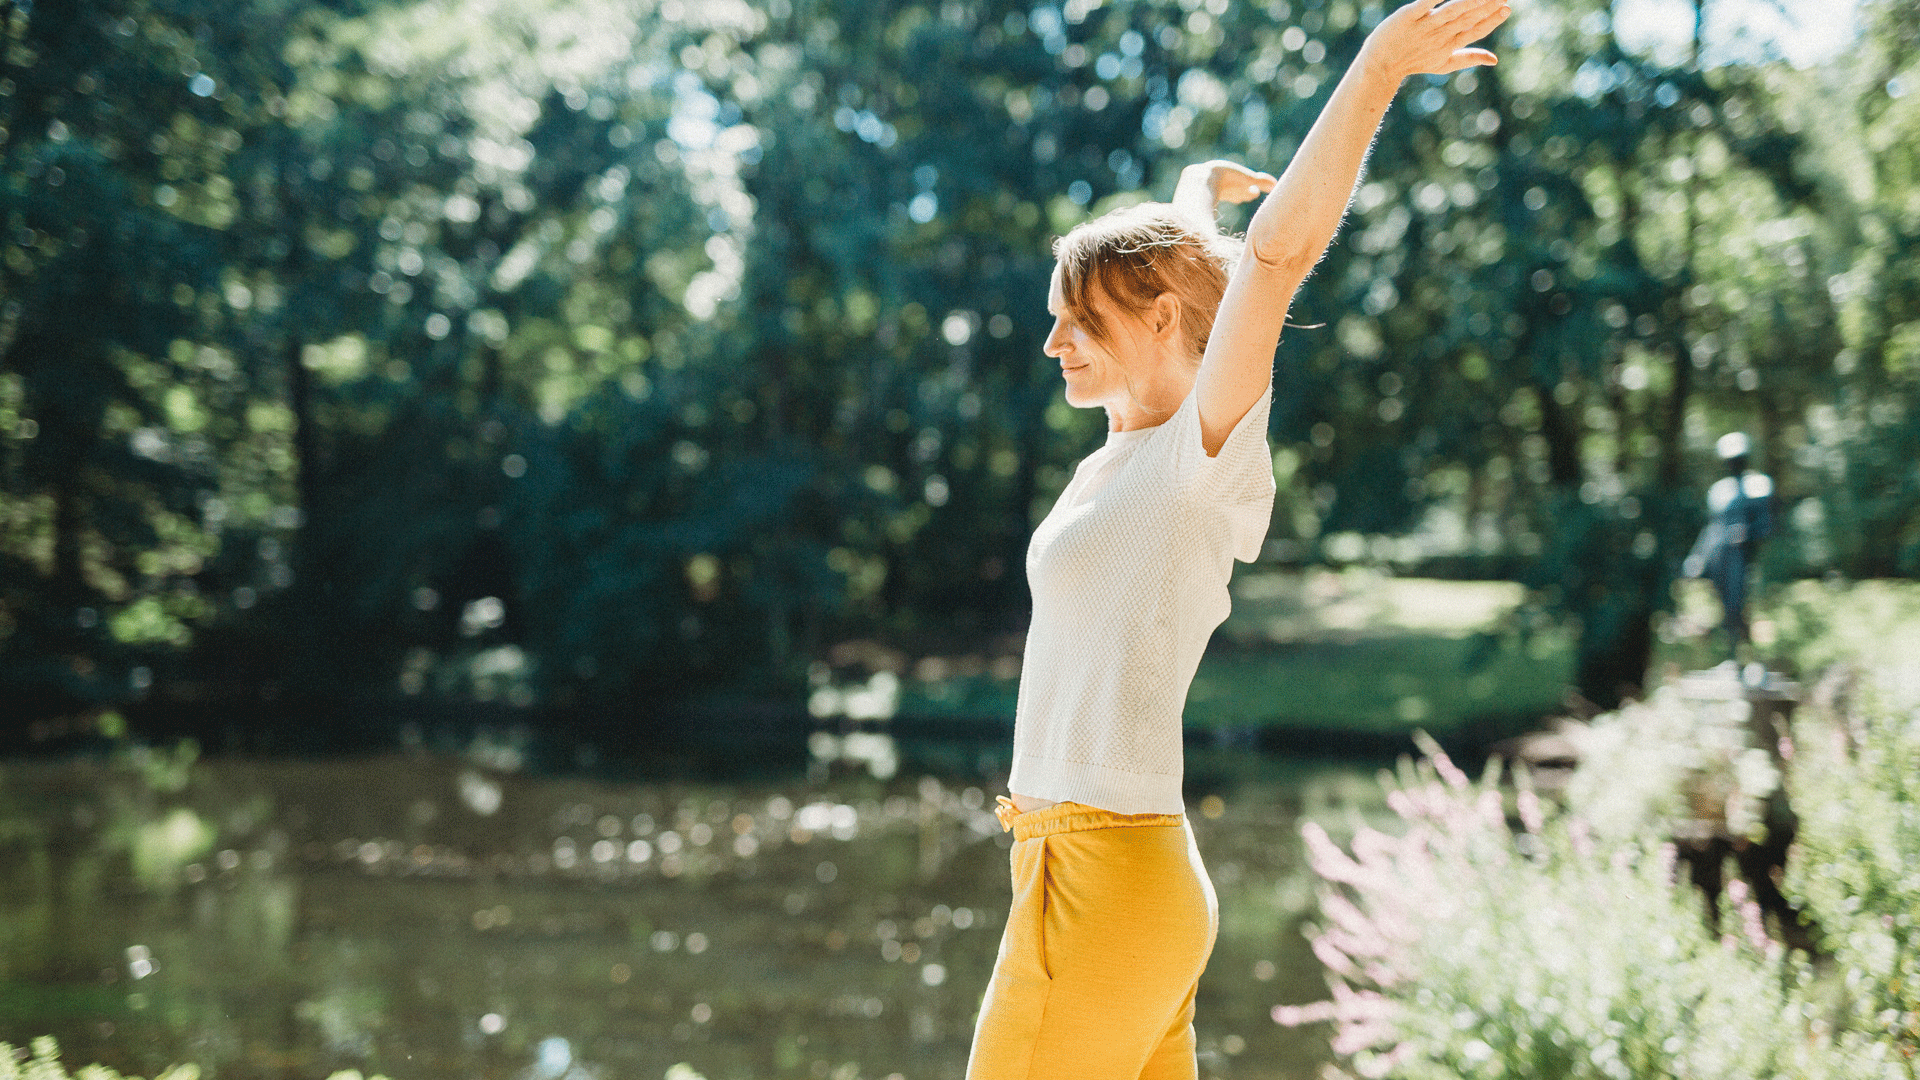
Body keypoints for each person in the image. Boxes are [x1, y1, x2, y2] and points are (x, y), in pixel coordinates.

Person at [963, 1, 1511, 1077]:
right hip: (1101, 873)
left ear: (1160, 319)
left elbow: (1272, 260)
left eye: (1077, 320)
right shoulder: (1132, 445)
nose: (1051, 341)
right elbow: (1186, 276)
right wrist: (1189, 200)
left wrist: (1378, 70)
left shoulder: (1198, 455)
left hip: (1102, 877)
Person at [1681, 432, 1773, 667]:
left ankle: (1752, 658)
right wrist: (1697, 557)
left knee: (1743, 605)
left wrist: (1748, 535)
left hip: (1747, 559)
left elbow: (1768, 525)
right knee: (1726, 608)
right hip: (1721, 559)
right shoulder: (1720, 491)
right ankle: (1734, 658)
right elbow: (1712, 528)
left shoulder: (1759, 486)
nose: (1734, 465)